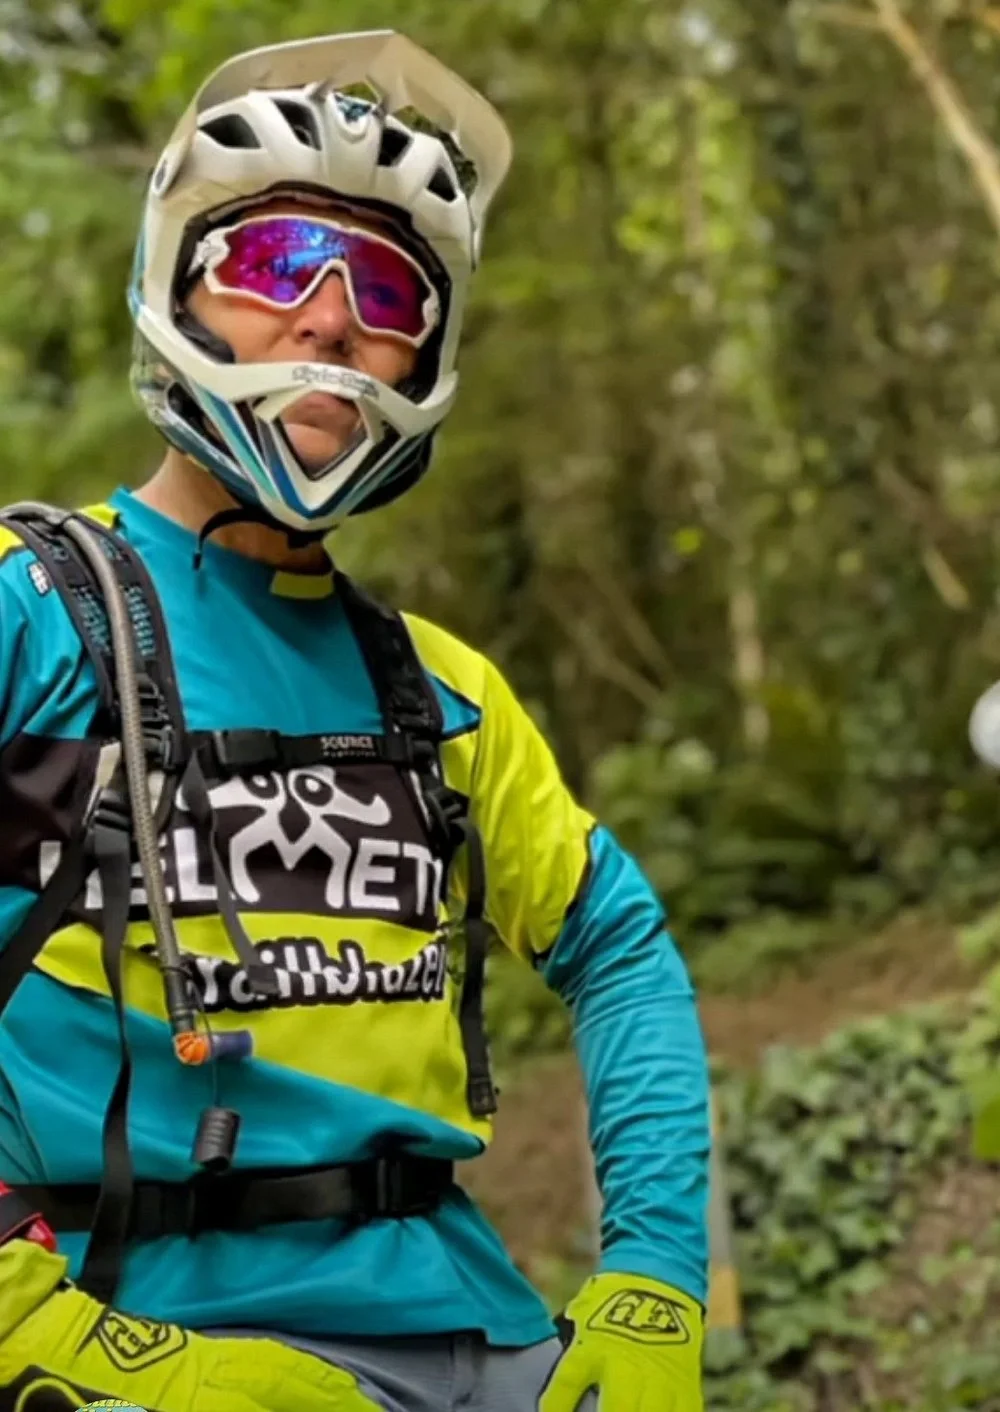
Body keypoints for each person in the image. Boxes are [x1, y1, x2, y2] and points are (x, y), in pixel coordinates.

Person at [0, 30, 710, 1412]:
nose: (327, 319)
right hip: (142, 1339)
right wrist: (27, 1318)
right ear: (176, 287)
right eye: (270, 266)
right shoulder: (40, 625)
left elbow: (618, 947)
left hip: (479, 1326)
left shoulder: (437, 692)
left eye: (384, 287)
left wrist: (660, 1277)